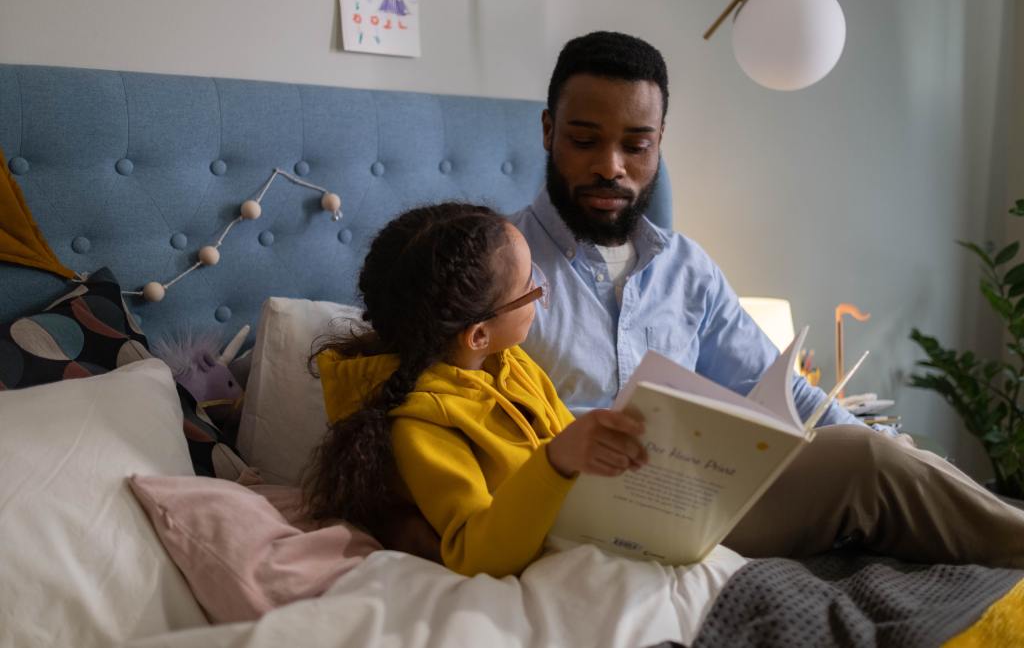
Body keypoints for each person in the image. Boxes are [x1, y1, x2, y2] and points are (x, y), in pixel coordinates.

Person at [510, 30, 1024, 567]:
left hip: (692, 503)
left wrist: (893, 448)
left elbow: (779, 391)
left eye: (636, 146)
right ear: (549, 132)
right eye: (585, 141)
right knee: (866, 460)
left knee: (882, 452)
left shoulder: (686, 269)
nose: (611, 166)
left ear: (659, 141)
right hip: (565, 512)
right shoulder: (496, 268)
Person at [302, 202, 649, 577]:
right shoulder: (420, 424)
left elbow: (566, 445)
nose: (539, 291)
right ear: (479, 335)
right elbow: (475, 553)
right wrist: (556, 460)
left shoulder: (507, 363)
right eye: (530, 288)